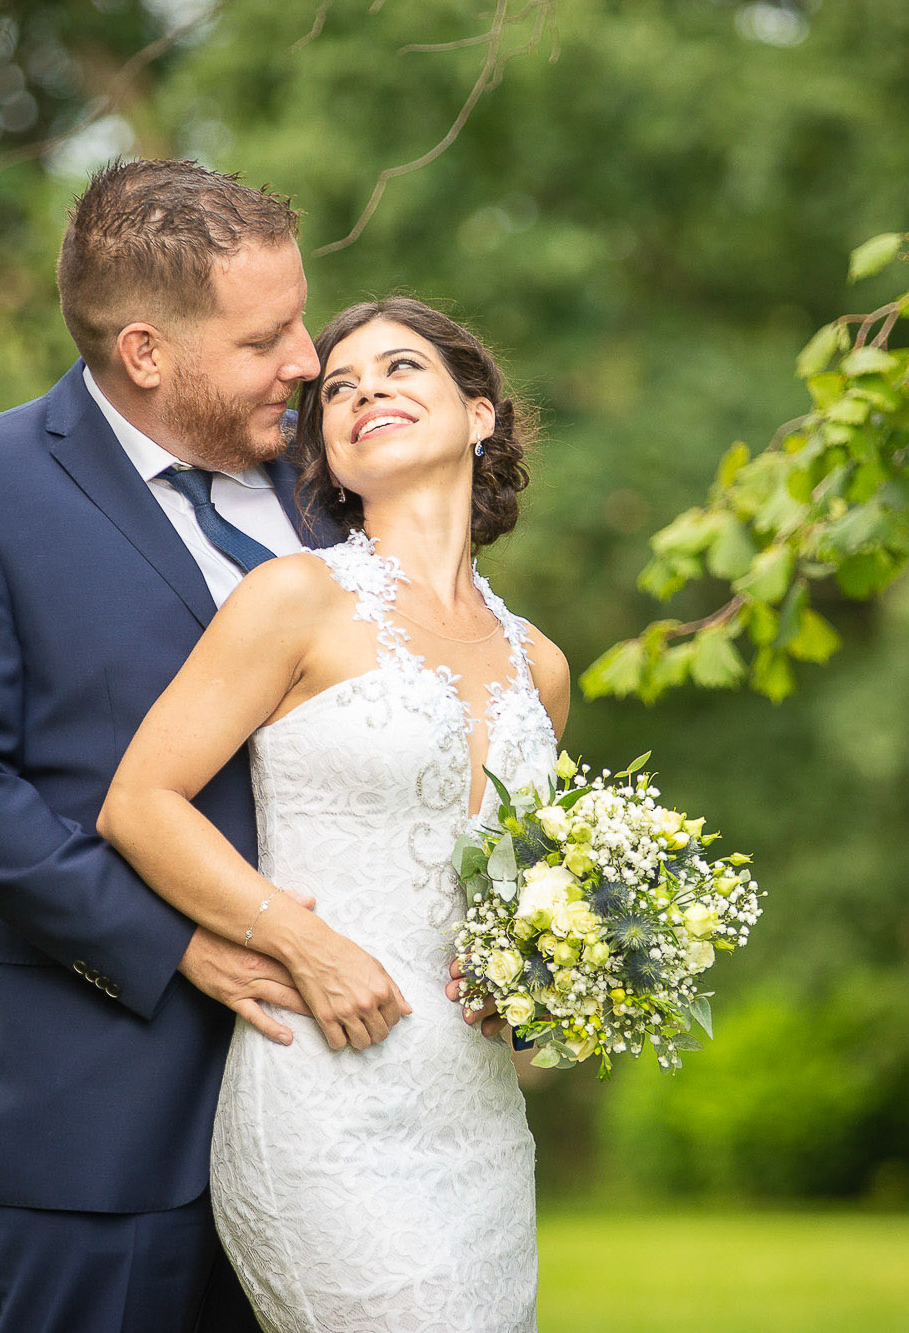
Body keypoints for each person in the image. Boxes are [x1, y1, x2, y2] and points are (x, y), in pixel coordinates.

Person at [0, 159, 373, 1331]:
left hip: (338, 1103)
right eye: (263, 339)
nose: (308, 358)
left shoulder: (328, 484)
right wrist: (170, 940)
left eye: (299, 317)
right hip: (110, 1094)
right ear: (145, 352)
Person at [99, 296, 570, 1331]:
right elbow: (138, 802)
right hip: (325, 1092)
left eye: (401, 369)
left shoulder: (540, 663)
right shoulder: (293, 597)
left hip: (478, 1112)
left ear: (481, 413)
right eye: (341, 390)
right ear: (331, 451)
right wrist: (296, 939)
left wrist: (537, 983)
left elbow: (520, 888)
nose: (365, 395)